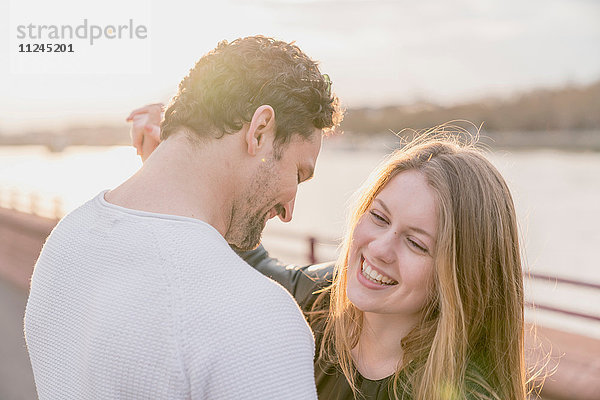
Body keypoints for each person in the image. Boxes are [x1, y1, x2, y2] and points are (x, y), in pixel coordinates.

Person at [24, 36, 343, 400]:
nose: (289, 211)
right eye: (299, 174)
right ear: (259, 130)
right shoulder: (260, 320)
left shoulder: (65, 244)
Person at [130, 110, 528, 399]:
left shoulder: (463, 392)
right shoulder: (315, 300)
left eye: (416, 243)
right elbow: (244, 260)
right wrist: (181, 167)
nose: (380, 248)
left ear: (461, 275)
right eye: (379, 217)